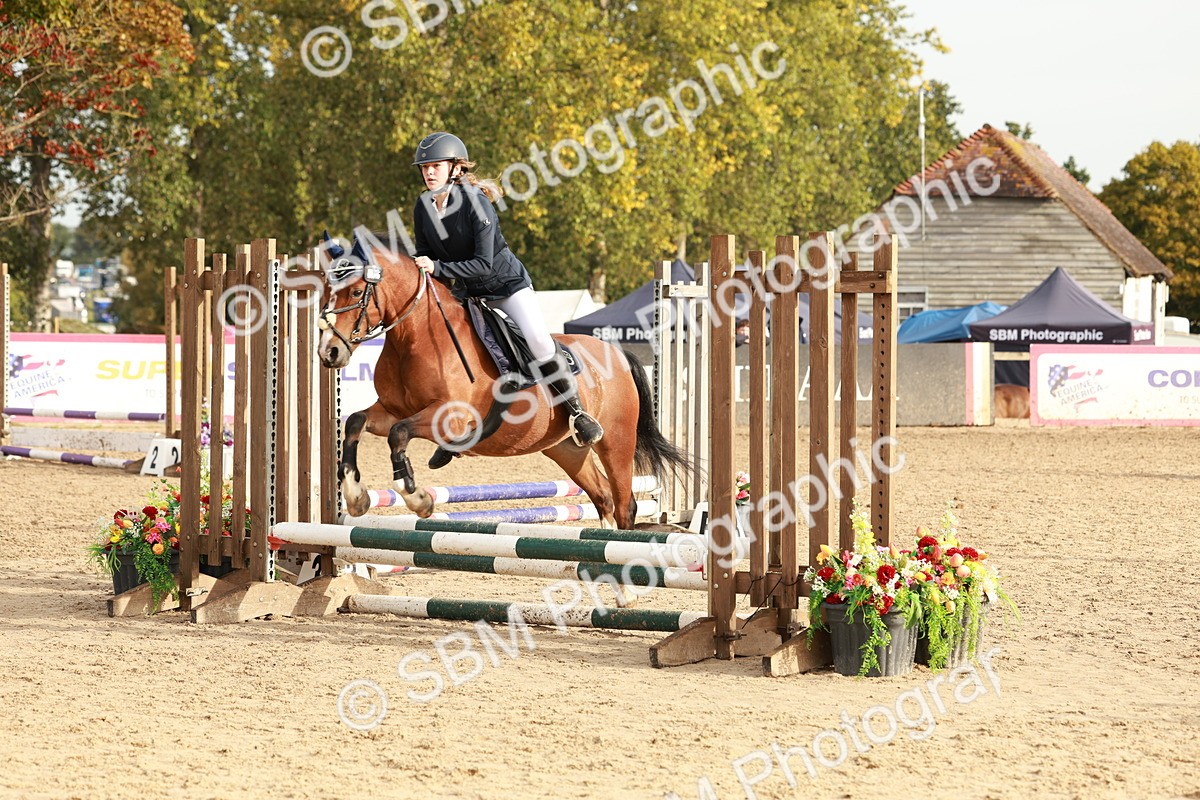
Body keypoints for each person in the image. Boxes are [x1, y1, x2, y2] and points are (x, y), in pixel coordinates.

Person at [410, 131, 603, 446]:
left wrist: (439, 268)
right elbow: (424, 255)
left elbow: (483, 264)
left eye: (436, 165)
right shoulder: (423, 206)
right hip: (469, 294)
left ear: (455, 168)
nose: (429, 172)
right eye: (424, 167)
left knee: (539, 341)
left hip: (506, 286)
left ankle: (578, 413)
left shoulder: (475, 203)